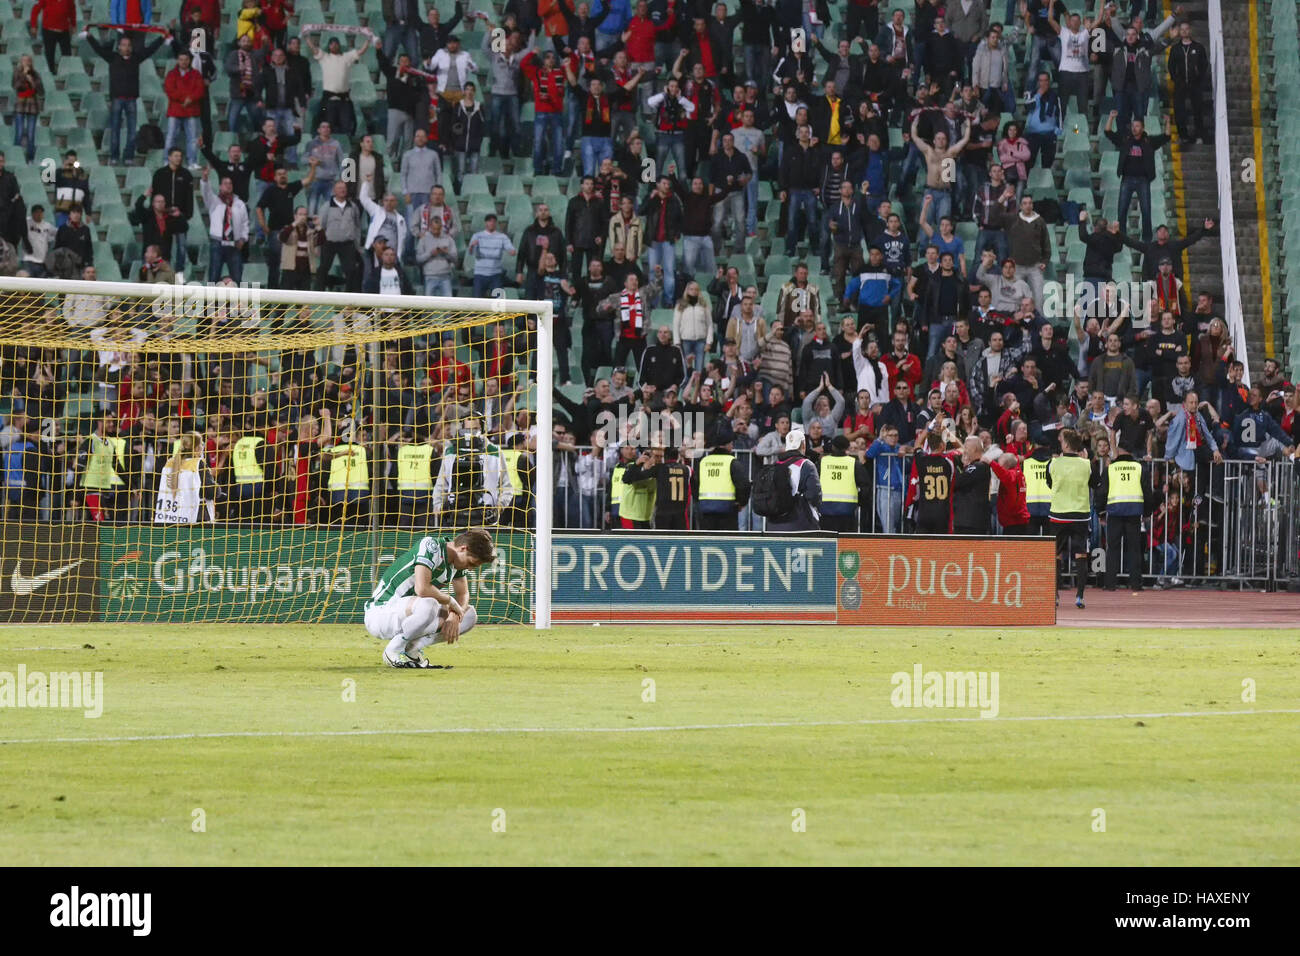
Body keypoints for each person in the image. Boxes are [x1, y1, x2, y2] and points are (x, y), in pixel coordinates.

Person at [364, 528, 497, 669]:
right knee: (430, 604)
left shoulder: (456, 564)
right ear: (463, 548)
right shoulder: (431, 546)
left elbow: (463, 594)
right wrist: (451, 602)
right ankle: (393, 651)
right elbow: (422, 589)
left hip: (408, 615)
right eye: (471, 563)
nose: (470, 568)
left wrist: (454, 615)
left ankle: (412, 650)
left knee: (469, 615)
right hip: (381, 613)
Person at [1046, 428, 1099, 609]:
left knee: (1055, 555)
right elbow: (1096, 483)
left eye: (1061, 441)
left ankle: (1055, 595)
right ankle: (1080, 596)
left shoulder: (1053, 463)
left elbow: (1049, 483)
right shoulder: (1086, 465)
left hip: (1058, 515)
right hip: (1080, 516)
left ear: (1066, 444)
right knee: (1081, 554)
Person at [1100, 444, 1147, 592]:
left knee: (1112, 548)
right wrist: (1146, 512)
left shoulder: (1111, 468)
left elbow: (1102, 492)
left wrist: (1100, 512)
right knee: (1134, 549)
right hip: (1134, 512)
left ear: (1119, 451)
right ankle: (1135, 584)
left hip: (1114, 512)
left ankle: (1110, 583)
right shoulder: (1139, 467)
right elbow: (1147, 491)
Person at [760, 427, 822, 532]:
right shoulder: (806, 465)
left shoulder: (775, 465)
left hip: (774, 524)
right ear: (803, 445)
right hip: (800, 524)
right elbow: (814, 494)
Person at [693, 422, 752, 530]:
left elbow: (695, 483)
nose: (732, 446)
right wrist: (741, 502)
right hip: (728, 510)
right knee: (726, 542)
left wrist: (699, 501)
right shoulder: (732, 462)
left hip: (706, 509)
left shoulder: (703, 461)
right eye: (731, 443)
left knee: (707, 542)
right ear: (728, 445)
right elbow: (744, 484)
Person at [622, 445, 692, 529]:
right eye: (656, 456)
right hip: (631, 515)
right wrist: (637, 464)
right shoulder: (634, 466)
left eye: (661, 456)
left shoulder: (662, 470)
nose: (659, 459)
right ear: (648, 457)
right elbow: (625, 479)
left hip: (647, 516)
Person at [154, 431, 213, 524]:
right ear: (197, 447)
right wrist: (218, 491)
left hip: (168, 518)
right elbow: (210, 491)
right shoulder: (197, 464)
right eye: (202, 443)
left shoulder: (169, 463)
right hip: (192, 517)